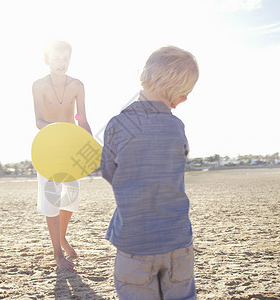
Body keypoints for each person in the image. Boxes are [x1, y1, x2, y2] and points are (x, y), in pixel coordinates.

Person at [100, 46, 199, 299]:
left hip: (134, 243)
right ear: (175, 92)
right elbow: (177, 164)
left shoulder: (117, 125)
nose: (186, 99)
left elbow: (108, 171)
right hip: (177, 241)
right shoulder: (177, 126)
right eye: (186, 93)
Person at [32, 39, 92, 270]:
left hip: (70, 147)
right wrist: (56, 131)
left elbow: (82, 119)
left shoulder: (77, 85)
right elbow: (38, 120)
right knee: (52, 200)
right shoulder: (38, 85)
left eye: (66, 58)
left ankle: (62, 237)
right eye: (56, 58)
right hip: (48, 147)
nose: (61, 63)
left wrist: (87, 140)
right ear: (46, 59)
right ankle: (58, 255)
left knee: (71, 197)